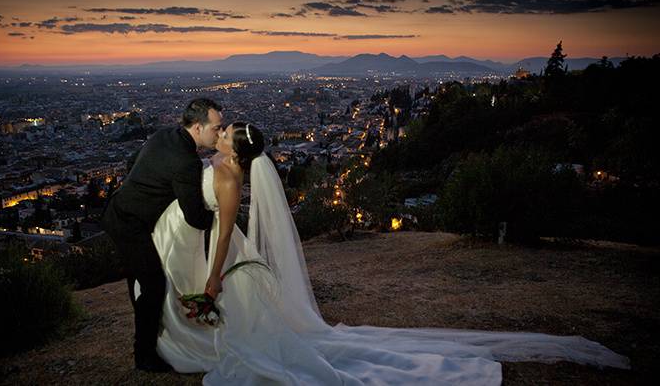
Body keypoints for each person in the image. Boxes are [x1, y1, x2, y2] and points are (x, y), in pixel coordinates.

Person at [148, 121, 630, 385]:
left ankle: (227, 344)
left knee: (246, 321)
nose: (222, 129)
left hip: (226, 255)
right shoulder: (220, 161)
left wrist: (214, 280)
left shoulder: (230, 176)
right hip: (208, 246)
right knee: (242, 318)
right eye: (223, 127)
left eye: (227, 130)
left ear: (236, 147)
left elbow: (227, 230)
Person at [101, 98, 222, 372]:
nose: (219, 132)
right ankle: (144, 355)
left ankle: (152, 337)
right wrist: (221, 216)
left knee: (142, 281)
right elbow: (194, 216)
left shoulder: (165, 134)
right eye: (216, 127)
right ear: (198, 127)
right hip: (129, 224)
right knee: (153, 284)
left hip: (121, 210)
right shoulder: (187, 162)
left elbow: (134, 161)